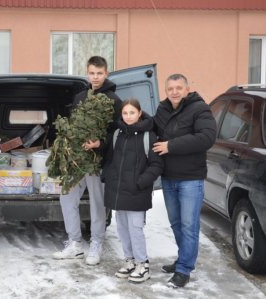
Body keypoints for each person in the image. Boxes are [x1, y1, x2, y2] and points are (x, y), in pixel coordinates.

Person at [52, 56, 122, 265]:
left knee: (97, 204)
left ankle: (96, 243)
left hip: (98, 161)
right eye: (92, 73)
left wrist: (100, 143)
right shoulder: (80, 97)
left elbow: (116, 131)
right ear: (87, 73)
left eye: (100, 73)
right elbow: (75, 126)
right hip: (76, 161)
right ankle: (74, 243)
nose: (96, 77)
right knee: (67, 198)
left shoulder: (113, 100)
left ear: (106, 74)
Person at [152, 74, 216, 288]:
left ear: (187, 88)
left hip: (190, 178)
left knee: (189, 225)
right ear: (166, 90)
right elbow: (151, 132)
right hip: (169, 176)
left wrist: (171, 146)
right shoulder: (162, 110)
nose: (174, 92)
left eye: (179, 87)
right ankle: (184, 259)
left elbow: (207, 137)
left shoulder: (199, 109)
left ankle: (184, 269)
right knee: (177, 223)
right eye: (170, 88)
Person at [99, 98, 163, 283]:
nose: (128, 116)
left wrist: (141, 182)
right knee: (122, 228)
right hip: (118, 192)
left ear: (139, 113)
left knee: (135, 229)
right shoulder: (117, 134)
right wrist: (108, 177)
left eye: (132, 113)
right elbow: (110, 160)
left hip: (137, 191)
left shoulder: (148, 136)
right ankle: (129, 261)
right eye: (125, 113)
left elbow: (157, 164)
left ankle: (143, 265)